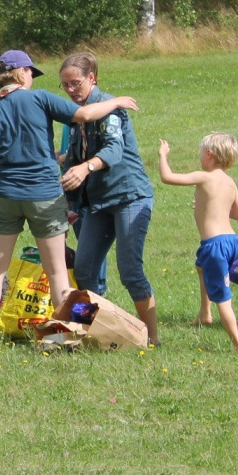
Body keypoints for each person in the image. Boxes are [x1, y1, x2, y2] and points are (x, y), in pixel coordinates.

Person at [0, 50, 138, 353]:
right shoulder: (40, 100)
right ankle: (68, 338)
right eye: (31, 74)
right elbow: (85, 114)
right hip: (44, 196)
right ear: (22, 73)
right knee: (58, 272)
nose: (33, 79)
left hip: (4, 196)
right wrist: (116, 101)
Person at [58, 53, 159, 345]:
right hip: (98, 202)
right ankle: (85, 334)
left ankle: (152, 339)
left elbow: (114, 149)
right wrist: (66, 201)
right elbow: (73, 159)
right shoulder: (76, 115)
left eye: (75, 83)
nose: (70, 90)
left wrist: (87, 166)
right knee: (85, 270)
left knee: (130, 271)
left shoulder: (109, 109)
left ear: (92, 79)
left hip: (129, 196)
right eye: (64, 85)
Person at [158, 134, 238, 355]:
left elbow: (167, 178)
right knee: (201, 267)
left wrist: (162, 155)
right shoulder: (229, 182)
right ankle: (204, 314)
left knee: (223, 298)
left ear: (209, 155)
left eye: (200, 152)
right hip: (232, 241)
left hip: (214, 245)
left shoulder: (204, 177)